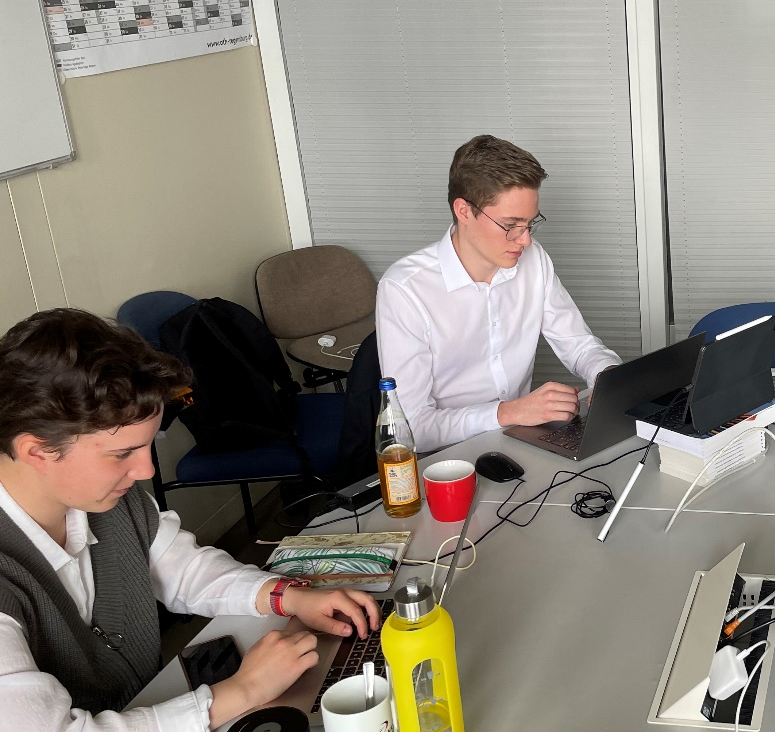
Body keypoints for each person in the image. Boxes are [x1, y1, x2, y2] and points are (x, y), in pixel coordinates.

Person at [0, 309, 381, 731]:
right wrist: (242, 691)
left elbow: (185, 570)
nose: (146, 471)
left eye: (147, 446)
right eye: (123, 453)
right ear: (37, 451)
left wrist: (287, 596)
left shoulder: (106, 500)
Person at [376, 134, 622, 453]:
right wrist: (508, 412)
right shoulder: (405, 290)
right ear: (464, 211)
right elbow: (412, 429)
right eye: (511, 225)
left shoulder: (534, 262)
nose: (525, 241)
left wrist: (609, 375)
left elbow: (577, 344)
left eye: (530, 224)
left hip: (518, 440)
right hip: (447, 459)